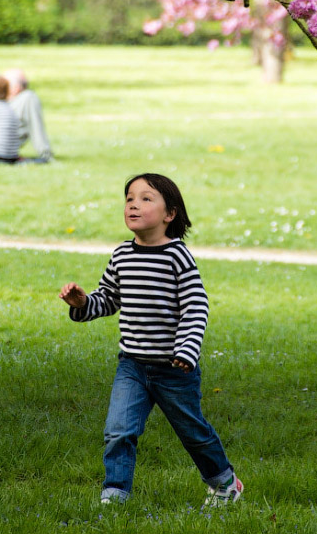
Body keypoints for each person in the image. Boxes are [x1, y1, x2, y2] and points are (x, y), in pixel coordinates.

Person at [58, 173, 242, 505]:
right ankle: (114, 496)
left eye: (146, 198)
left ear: (169, 213)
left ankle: (224, 483)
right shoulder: (121, 256)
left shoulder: (177, 257)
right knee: (119, 431)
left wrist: (187, 348)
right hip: (132, 365)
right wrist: (83, 304)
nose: (134, 204)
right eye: (129, 198)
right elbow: (109, 300)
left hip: (175, 369)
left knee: (193, 433)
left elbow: (196, 305)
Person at [4, 68, 53, 162]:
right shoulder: (5, 103)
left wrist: (45, 153)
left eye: (4, 84)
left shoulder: (27, 99)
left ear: (16, 87)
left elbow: (36, 127)